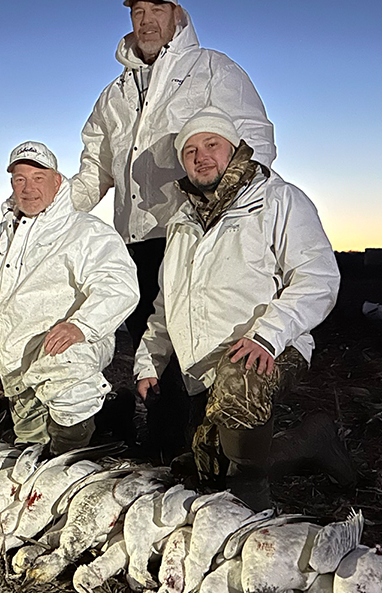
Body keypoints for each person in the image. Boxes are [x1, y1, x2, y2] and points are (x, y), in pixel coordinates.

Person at [71, 0, 276, 458]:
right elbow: (94, 170)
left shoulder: (213, 70)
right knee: (152, 345)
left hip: (195, 237)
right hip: (134, 242)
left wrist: (226, 215)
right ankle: (166, 448)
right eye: (137, 10)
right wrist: (52, 210)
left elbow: (256, 143)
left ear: (178, 14)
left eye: (157, 8)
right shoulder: (115, 95)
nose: (146, 19)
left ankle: (211, 452)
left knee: (196, 346)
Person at [134, 108, 351, 510]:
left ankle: (250, 502)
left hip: (269, 348)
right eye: (190, 150)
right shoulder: (181, 222)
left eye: (211, 144)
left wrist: (267, 336)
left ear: (233, 148)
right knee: (201, 471)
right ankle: (310, 440)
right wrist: (149, 361)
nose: (201, 156)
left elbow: (318, 278)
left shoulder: (276, 198)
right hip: (204, 367)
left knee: (239, 391)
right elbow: (167, 303)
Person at [0, 142, 139, 454]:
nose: (28, 188)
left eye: (38, 177)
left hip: (64, 356)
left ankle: (75, 449)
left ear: (58, 181)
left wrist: (81, 326)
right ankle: (108, 415)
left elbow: (119, 286)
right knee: (30, 446)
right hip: (16, 367)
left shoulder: (85, 231)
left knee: (61, 444)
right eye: (20, 179)